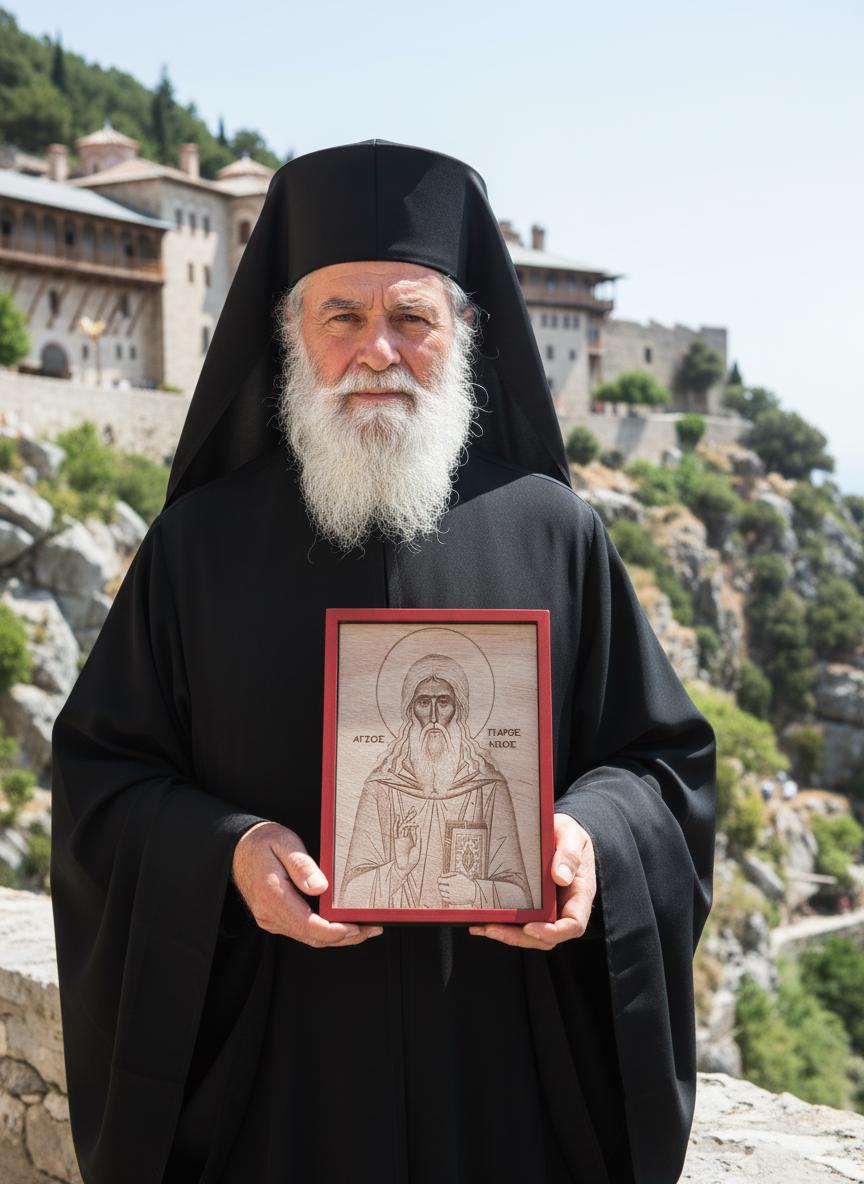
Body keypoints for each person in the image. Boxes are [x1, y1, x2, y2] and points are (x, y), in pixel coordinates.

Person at [50, 140, 717, 1184]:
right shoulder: (196, 547)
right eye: (342, 317)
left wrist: (592, 837)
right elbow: (101, 781)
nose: (378, 350)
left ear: (463, 335)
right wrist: (228, 851)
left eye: (411, 317)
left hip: (506, 1083)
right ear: (291, 335)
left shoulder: (555, 533)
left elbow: (664, 765)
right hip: (273, 1083)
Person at [339, 654, 532, 910]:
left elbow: (522, 899)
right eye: (423, 702)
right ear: (410, 711)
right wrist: (398, 870)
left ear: (458, 709)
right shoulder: (381, 787)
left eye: (443, 702)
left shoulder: (488, 788)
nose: (432, 718)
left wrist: (475, 892)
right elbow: (348, 897)